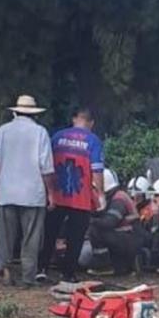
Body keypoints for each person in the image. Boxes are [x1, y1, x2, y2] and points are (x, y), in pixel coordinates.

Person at [0, 95, 55, 287]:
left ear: (15, 112)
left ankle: (6, 270)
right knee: (31, 237)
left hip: (7, 192)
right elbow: (46, 168)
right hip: (33, 194)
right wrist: (51, 193)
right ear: (34, 114)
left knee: (7, 237)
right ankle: (28, 276)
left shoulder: (3, 131)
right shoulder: (40, 133)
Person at [38, 106, 105, 283]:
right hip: (80, 197)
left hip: (57, 194)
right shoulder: (93, 141)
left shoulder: (57, 137)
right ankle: (68, 273)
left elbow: (46, 164)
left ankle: (41, 267)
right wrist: (100, 194)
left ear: (74, 119)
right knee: (75, 237)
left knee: (50, 231)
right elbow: (97, 171)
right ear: (91, 123)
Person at [87, 169, 143, 277]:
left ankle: (102, 265)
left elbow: (109, 222)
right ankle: (124, 265)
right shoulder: (115, 196)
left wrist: (90, 221)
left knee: (96, 230)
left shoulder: (119, 198)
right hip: (127, 238)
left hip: (129, 238)